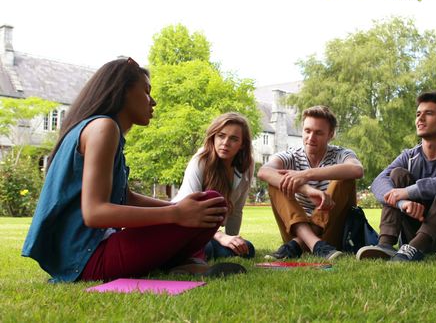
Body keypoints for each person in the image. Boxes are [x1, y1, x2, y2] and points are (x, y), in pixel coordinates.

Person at [21, 58, 245, 282]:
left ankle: (184, 262)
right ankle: (185, 261)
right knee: (212, 201)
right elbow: (94, 213)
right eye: (146, 91)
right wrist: (176, 214)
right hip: (85, 260)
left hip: (84, 255)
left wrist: (179, 207)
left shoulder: (102, 128)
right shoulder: (103, 128)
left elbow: (125, 197)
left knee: (207, 205)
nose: (153, 101)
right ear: (122, 91)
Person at [357, 91, 436, 262]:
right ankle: (385, 245)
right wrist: (403, 202)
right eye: (418, 114)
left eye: (428, 113)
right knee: (397, 175)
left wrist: (411, 191)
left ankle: (416, 247)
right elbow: (378, 182)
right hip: (414, 231)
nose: (420, 119)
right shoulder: (409, 156)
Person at [257, 105, 364, 260]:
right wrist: (307, 190)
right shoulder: (291, 156)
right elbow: (263, 172)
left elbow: (357, 170)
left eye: (318, 133)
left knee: (344, 178)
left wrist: (305, 175)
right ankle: (314, 244)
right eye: (307, 131)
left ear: (331, 134)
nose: (311, 138)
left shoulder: (341, 154)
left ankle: (302, 243)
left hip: (331, 234)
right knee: (275, 181)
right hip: (296, 230)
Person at [172, 112, 255, 260]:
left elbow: (236, 211)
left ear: (242, 145)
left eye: (234, 139)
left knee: (247, 249)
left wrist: (232, 239)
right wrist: (222, 237)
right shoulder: (200, 161)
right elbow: (187, 212)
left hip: (208, 234)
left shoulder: (246, 166)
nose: (225, 143)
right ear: (213, 137)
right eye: (221, 136)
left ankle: (196, 254)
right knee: (207, 248)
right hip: (183, 227)